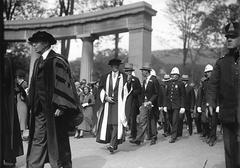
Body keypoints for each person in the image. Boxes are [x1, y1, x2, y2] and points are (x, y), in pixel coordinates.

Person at [27, 31, 81, 168]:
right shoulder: (39, 61)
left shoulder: (57, 60)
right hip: (39, 110)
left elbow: (64, 84)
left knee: (56, 142)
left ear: (45, 43)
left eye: (36, 42)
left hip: (54, 110)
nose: (34, 45)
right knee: (38, 138)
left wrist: (62, 106)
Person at [207, 21, 240, 168]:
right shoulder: (221, 63)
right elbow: (213, 85)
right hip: (227, 115)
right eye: (227, 37)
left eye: (234, 36)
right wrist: (210, 103)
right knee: (229, 150)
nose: (229, 39)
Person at [96, 58, 127, 154]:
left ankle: (112, 145)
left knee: (116, 124)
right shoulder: (105, 77)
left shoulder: (124, 76)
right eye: (114, 65)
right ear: (111, 66)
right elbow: (100, 89)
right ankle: (114, 143)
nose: (115, 67)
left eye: (117, 65)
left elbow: (128, 89)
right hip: (108, 103)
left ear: (119, 66)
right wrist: (105, 97)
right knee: (108, 124)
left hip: (119, 104)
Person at [130, 62, 160, 145]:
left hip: (152, 103)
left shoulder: (154, 80)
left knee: (152, 120)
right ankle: (139, 139)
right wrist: (141, 104)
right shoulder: (144, 80)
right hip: (144, 103)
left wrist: (151, 101)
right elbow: (143, 93)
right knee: (142, 120)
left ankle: (154, 137)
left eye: (143, 70)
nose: (142, 72)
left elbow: (157, 93)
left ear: (147, 71)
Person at [3, 57, 23, 168]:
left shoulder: (6, 61)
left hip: (5, 101)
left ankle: (9, 158)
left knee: (7, 130)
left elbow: (6, 78)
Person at [163, 67, 185, 143]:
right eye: (172, 74)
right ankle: (177, 131)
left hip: (176, 105)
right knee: (170, 120)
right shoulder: (168, 83)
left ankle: (173, 136)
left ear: (178, 76)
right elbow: (166, 95)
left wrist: (182, 106)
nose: (174, 76)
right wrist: (165, 105)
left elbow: (183, 95)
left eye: (175, 74)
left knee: (175, 120)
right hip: (169, 105)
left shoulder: (180, 84)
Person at [123, 63, 141, 140]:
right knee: (123, 117)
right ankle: (122, 134)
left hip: (133, 101)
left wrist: (132, 92)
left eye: (130, 71)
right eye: (127, 71)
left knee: (132, 118)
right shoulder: (122, 79)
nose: (128, 72)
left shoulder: (135, 79)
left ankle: (133, 134)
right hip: (124, 101)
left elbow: (139, 90)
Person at [196, 64, 213, 143]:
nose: (208, 73)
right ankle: (208, 134)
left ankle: (211, 136)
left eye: (209, 72)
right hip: (204, 104)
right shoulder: (204, 82)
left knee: (212, 122)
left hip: (213, 104)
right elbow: (201, 95)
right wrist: (198, 106)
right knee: (204, 120)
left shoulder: (216, 81)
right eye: (207, 72)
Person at [15, 69, 29, 140]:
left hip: (22, 104)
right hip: (19, 104)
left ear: (18, 77)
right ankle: (19, 135)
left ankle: (20, 136)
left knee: (22, 119)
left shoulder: (24, 84)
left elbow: (26, 94)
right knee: (19, 119)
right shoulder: (19, 85)